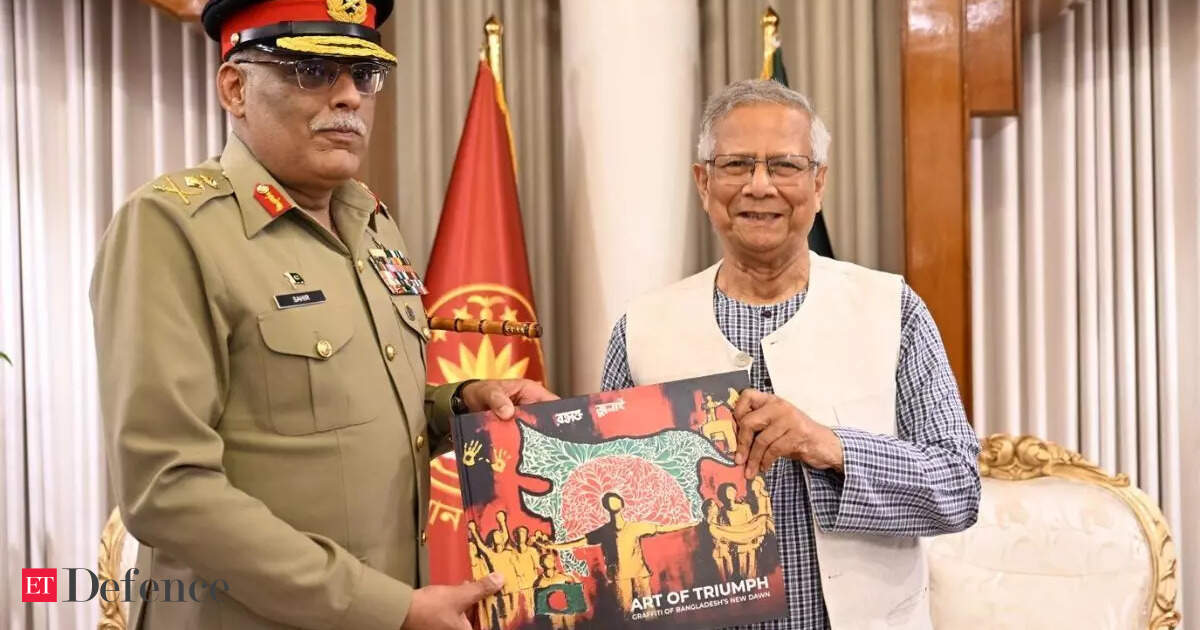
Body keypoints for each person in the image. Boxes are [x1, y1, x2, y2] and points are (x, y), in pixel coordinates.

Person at [89, 2, 556, 628]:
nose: (349, 97)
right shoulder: (172, 228)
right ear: (234, 88)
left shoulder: (369, 221)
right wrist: (388, 609)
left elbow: (340, 412)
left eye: (363, 74)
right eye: (311, 71)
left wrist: (460, 404)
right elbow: (165, 488)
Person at [600, 79, 981, 629]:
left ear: (818, 183)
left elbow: (959, 488)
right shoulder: (641, 329)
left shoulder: (893, 310)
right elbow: (616, 496)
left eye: (784, 165)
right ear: (703, 183)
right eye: (736, 164)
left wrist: (827, 445)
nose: (759, 186)